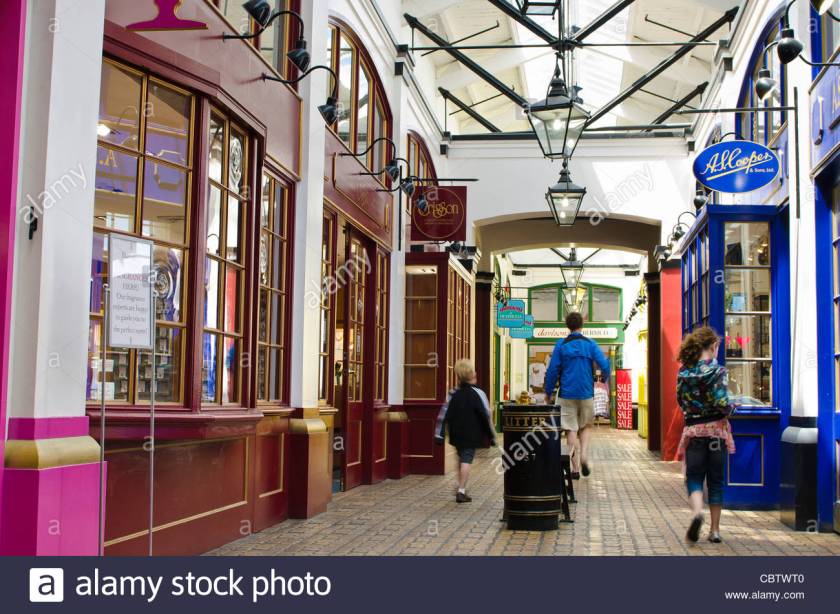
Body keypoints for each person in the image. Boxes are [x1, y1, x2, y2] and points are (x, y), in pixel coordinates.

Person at [676, 327, 736, 544]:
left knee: (694, 477)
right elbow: (721, 403)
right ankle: (715, 531)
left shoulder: (683, 372)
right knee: (716, 482)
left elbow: (680, 401)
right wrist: (731, 407)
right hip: (716, 432)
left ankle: (696, 513)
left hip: (694, 431)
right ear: (713, 346)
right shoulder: (718, 371)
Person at [544, 312, 611, 479]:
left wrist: (548, 391)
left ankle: (574, 469)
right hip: (586, 393)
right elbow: (605, 364)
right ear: (582, 325)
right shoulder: (590, 344)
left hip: (567, 393)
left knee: (570, 429)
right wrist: (603, 378)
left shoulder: (561, 344)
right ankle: (584, 456)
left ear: (567, 326)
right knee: (586, 426)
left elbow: (553, 370)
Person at [434, 359, 496, 503]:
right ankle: (461, 490)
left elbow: (443, 414)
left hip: (456, 433)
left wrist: (439, 434)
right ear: (472, 374)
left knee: (460, 458)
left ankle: (460, 485)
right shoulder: (478, 393)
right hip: (472, 433)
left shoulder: (452, 393)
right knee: (466, 460)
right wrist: (491, 435)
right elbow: (485, 415)